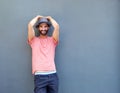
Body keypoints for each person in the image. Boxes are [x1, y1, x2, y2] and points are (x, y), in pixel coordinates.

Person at [28, 15, 59, 93]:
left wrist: (50, 18)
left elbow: (57, 27)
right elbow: (30, 25)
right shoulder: (33, 40)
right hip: (39, 76)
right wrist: (37, 17)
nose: (43, 28)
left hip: (53, 75)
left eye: (45, 26)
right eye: (41, 26)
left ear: (48, 28)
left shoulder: (53, 40)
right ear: (38, 28)